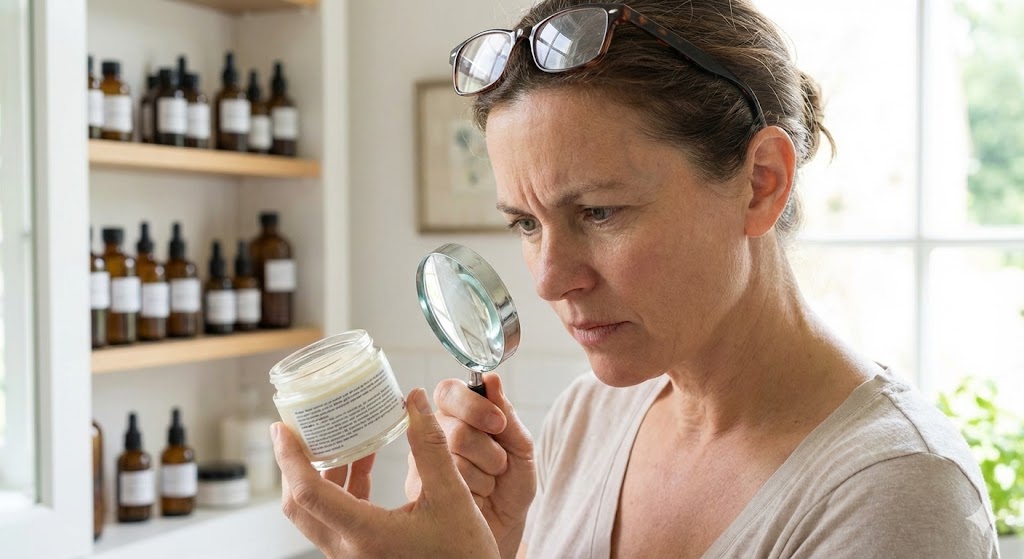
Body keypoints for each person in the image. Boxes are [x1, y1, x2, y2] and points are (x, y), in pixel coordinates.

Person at [272, 1, 1000, 557]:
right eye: (526, 222)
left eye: (599, 210)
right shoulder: (587, 419)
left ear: (761, 184)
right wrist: (504, 542)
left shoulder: (899, 494)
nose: (551, 279)